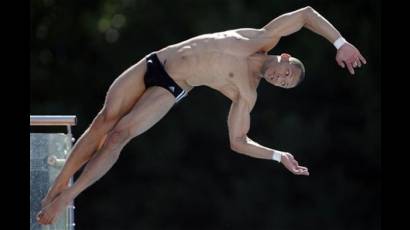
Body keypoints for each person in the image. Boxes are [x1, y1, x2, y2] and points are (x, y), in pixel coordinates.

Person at [37, 6, 366, 225]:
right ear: (284, 57)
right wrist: (341, 43)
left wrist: (278, 156)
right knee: (104, 120)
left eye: (285, 85)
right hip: (158, 62)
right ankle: (59, 183)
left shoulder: (246, 93)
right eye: (286, 74)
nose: (281, 80)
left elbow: (238, 141)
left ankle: (67, 196)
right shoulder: (263, 37)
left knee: (119, 136)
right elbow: (307, 14)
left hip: (173, 87)